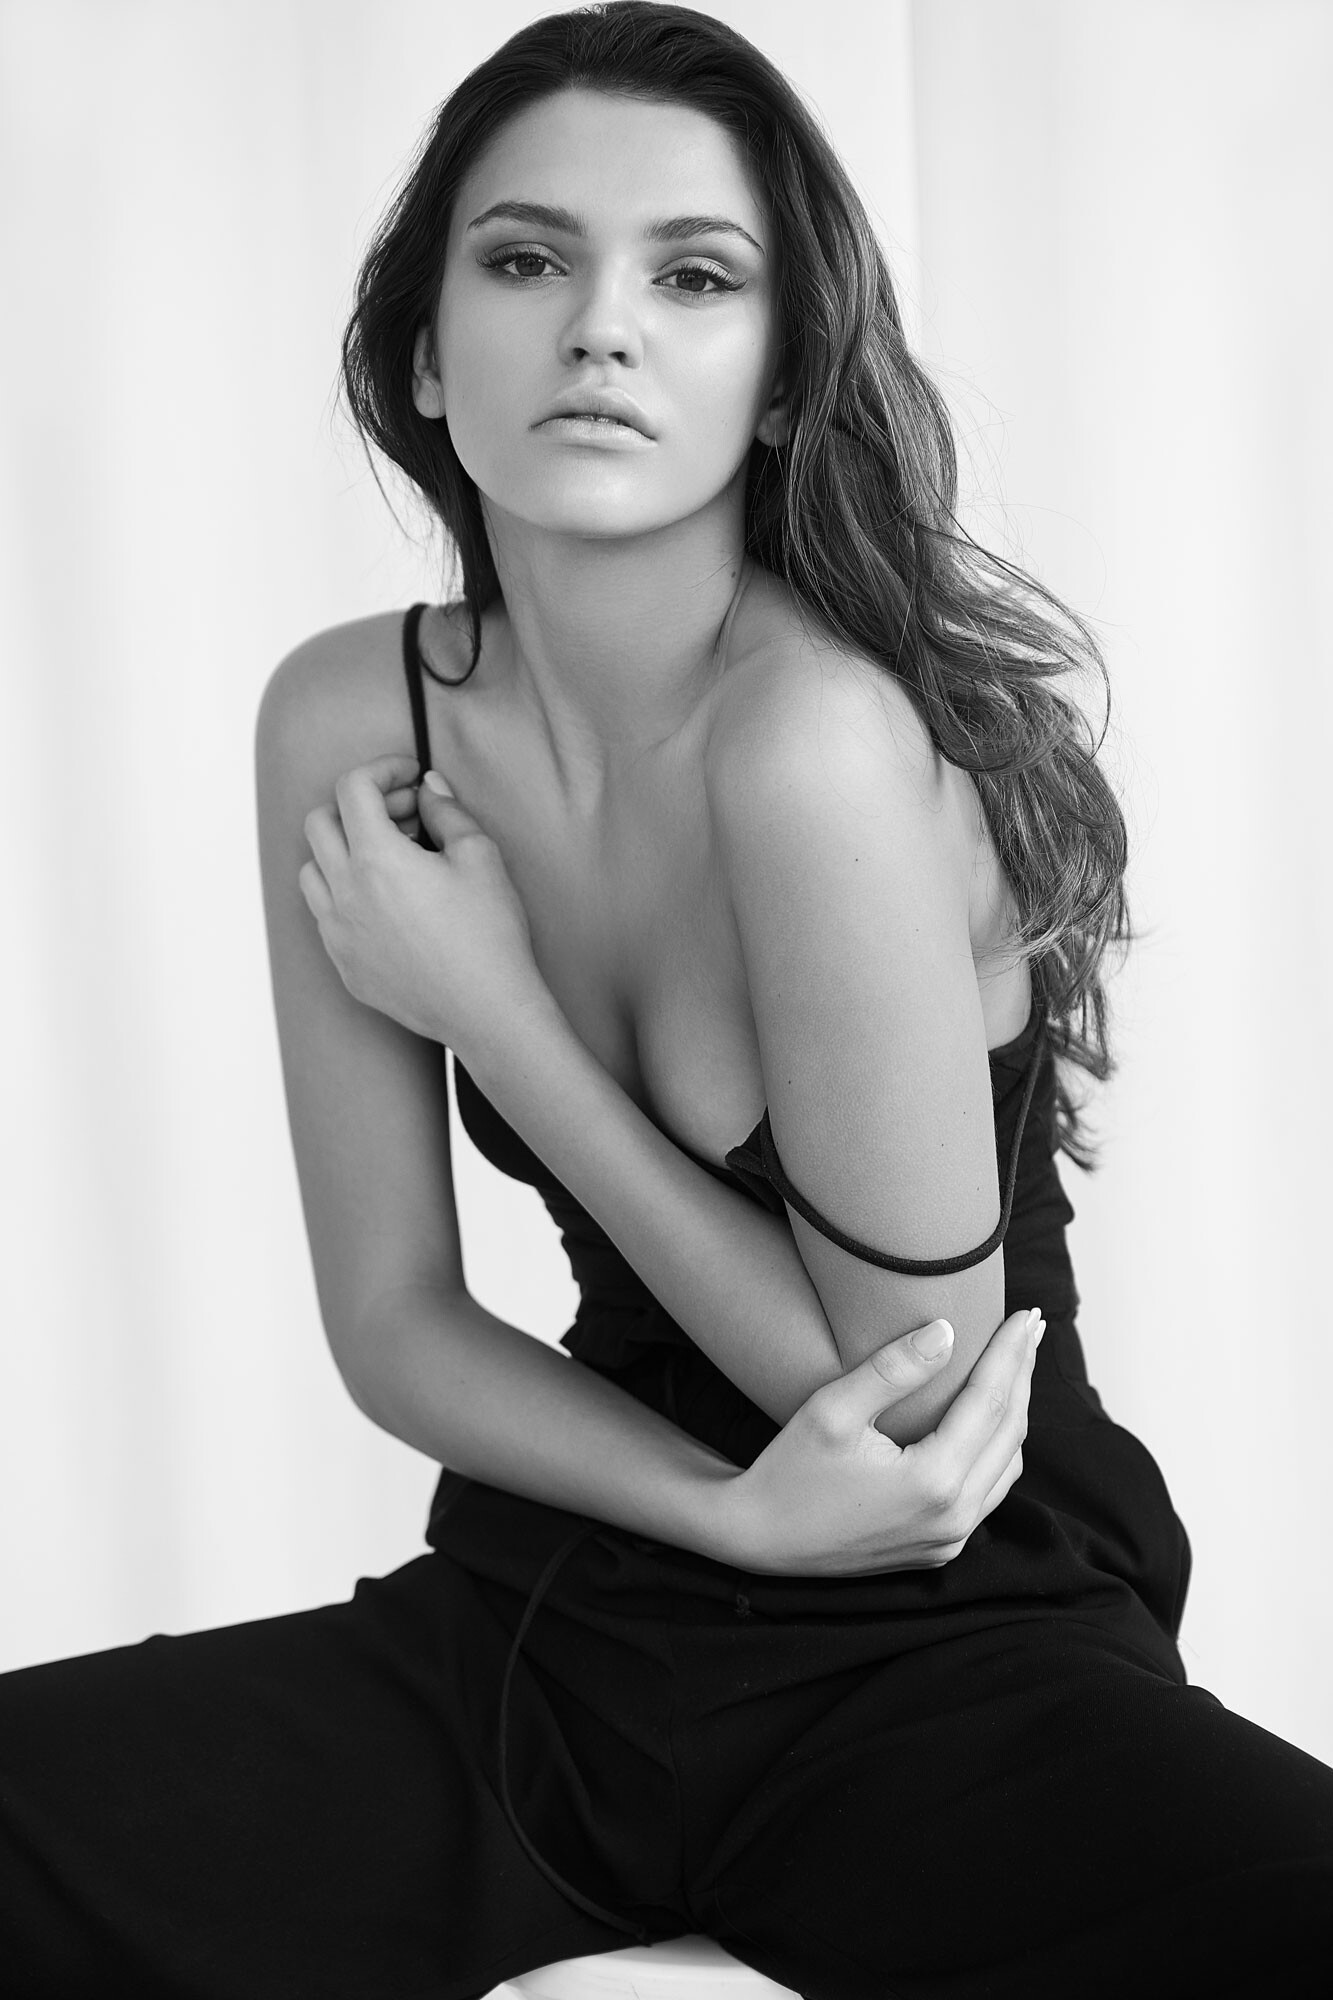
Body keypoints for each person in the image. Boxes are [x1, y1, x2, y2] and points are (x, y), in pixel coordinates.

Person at [3, 4, 1331, 1994]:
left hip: (949, 1625)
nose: (600, 330)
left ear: (783, 381)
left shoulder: (813, 744)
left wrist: (496, 1012)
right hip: (567, 1609)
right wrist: (726, 1520)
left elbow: (898, 1405)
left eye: (693, 277)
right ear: (425, 354)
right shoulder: (346, 720)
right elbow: (392, 1318)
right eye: (525, 260)